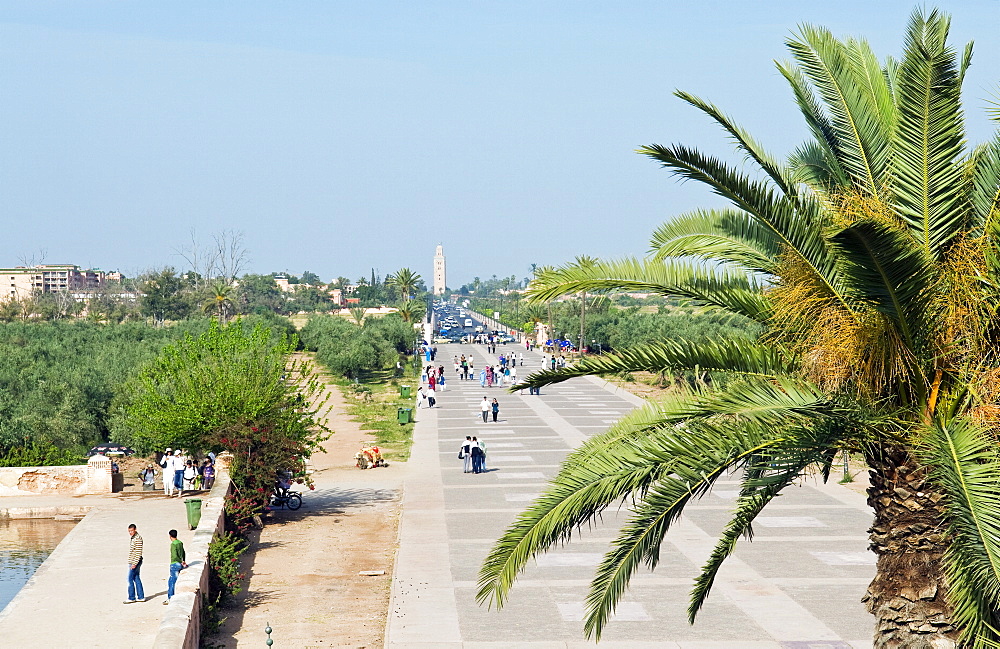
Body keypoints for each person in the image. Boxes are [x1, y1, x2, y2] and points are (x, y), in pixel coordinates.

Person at [165, 529, 187, 604]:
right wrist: (183, 561)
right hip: (181, 563)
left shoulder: (173, 544)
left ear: (170, 536)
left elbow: (174, 556)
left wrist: (179, 561)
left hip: (175, 564)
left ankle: (170, 598)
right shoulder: (180, 543)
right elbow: (183, 552)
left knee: (171, 581)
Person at [125, 524, 145, 603]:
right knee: (136, 578)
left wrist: (134, 563)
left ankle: (131, 597)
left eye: (131, 531)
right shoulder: (133, 538)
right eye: (129, 531)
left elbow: (138, 552)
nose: (130, 532)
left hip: (135, 561)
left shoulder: (138, 539)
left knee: (129, 579)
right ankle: (140, 596)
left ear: (135, 530)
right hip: (133, 561)